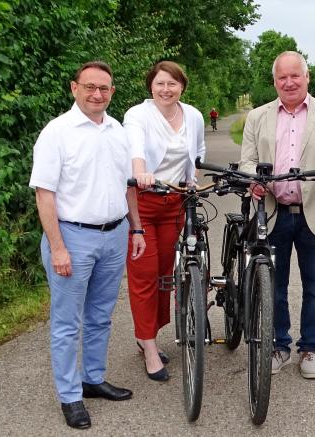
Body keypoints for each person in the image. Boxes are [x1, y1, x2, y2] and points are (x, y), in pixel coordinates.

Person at [29, 60, 147, 429]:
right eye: (90, 87)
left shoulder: (116, 131)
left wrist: (137, 228)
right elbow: (44, 196)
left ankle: (93, 379)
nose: (98, 94)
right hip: (73, 237)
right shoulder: (57, 132)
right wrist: (58, 247)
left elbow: (126, 186)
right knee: (67, 323)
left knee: (100, 316)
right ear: (74, 88)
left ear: (112, 92)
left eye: (105, 88)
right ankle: (70, 396)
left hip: (113, 236)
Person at [239, 51, 315, 379]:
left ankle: (309, 349)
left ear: (307, 77)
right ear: (274, 81)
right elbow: (247, 160)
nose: (289, 82)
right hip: (273, 215)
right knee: (273, 285)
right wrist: (254, 181)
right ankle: (279, 345)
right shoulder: (258, 117)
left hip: (314, 216)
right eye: (282, 77)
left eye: (295, 76)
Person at [124, 61, 206, 382]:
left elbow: (196, 152)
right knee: (144, 274)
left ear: (182, 86)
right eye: (160, 83)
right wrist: (140, 171)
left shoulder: (194, 115)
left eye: (172, 83)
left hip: (176, 202)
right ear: (150, 86)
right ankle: (148, 346)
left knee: (165, 276)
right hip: (143, 202)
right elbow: (135, 147)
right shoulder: (137, 115)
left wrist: (193, 179)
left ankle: (149, 334)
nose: (166, 89)